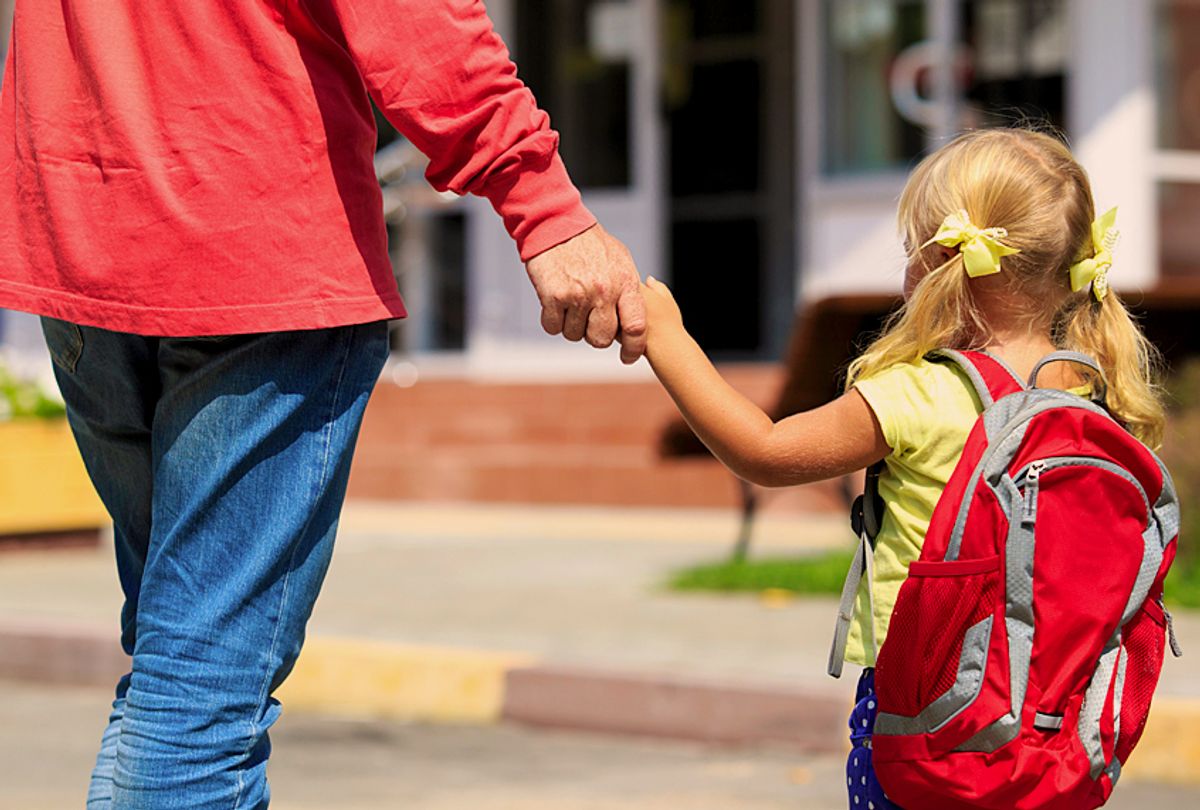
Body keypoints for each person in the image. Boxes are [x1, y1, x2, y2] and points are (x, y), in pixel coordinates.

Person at [0, 1, 645, 807]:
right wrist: (541, 203)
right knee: (197, 694)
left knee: (178, 660)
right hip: (251, 253)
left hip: (83, 249)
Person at [638, 128, 1165, 809]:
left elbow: (763, 451)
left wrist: (666, 338)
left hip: (928, 721)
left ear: (944, 258)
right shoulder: (1090, 394)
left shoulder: (925, 391)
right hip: (1050, 725)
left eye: (910, 249)